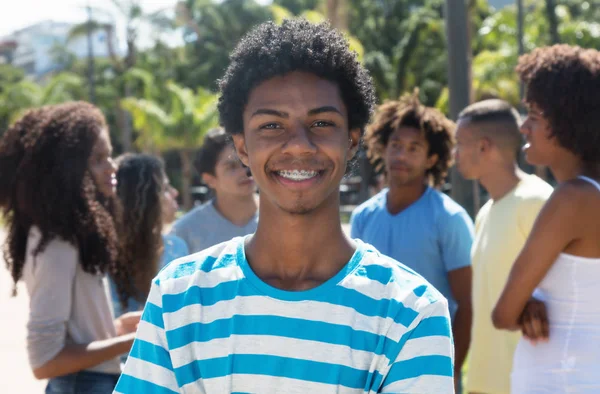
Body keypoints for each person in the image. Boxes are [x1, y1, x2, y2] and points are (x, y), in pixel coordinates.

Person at [115, 19, 454, 393]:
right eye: (271, 126)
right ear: (242, 146)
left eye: (322, 122)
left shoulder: (411, 312)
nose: (299, 145)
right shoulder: (178, 295)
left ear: (352, 141)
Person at [0, 102, 141, 393]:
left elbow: (74, 339)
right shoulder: (56, 245)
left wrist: (113, 329)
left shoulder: (71, 234)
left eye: (110, 155)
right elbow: (46, 362)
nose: (111, 166)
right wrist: (134, 341)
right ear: (69, 170)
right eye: (99, 159)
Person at [492, 45, 600, 393]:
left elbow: (502, 314)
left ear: (568, 123)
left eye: (534, 116)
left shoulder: (573, 199)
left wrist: (524, 304)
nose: (524, 127)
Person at [350, 92, 474, 388]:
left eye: (413, 148)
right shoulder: (363, 217)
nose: (401, 156)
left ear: (432, 158)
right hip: (368, 371)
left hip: (427, 368)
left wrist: (450, 369)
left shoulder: (449, 218)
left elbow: (467, 304)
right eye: (395, 145)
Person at [454, 99, 553, 394]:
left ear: (483, 147)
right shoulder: (486, 212)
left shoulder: (537, 200)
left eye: (459, 144)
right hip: (483, 385)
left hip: (526, 385)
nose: (453, 154)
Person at [109, 153, 189, 318]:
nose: (174, 192)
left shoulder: (177, 247)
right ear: (148, 200)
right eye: (165, 188)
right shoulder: (103, 256)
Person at [170, 127, 258, 253]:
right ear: (209, 179)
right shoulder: (186, 232)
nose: (245, 171)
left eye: (246, 161)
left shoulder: (284, 216)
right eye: (231, 166)